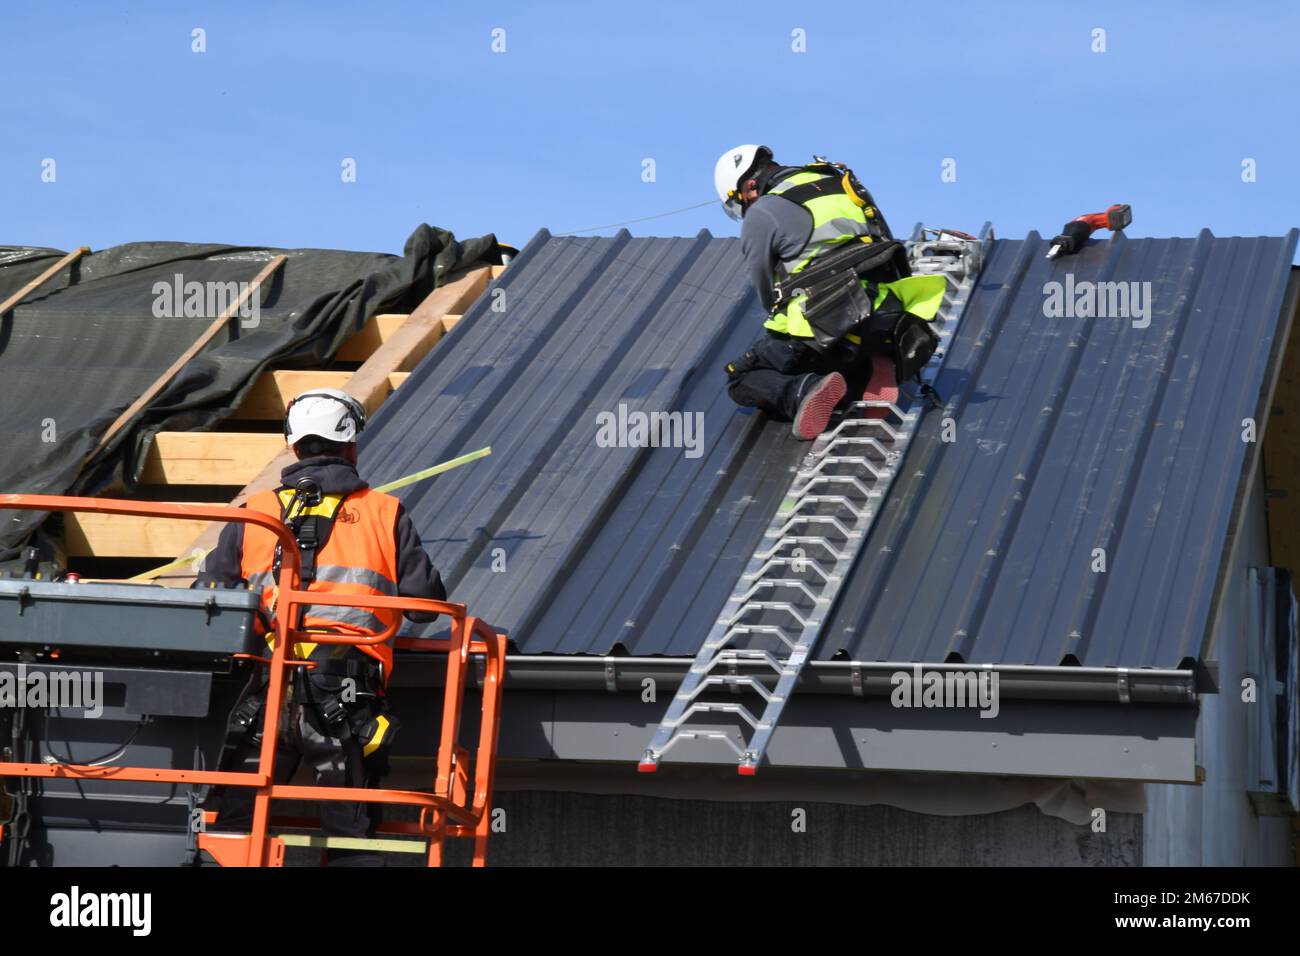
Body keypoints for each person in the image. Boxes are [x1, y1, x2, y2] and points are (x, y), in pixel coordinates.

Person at [195, 387, 447, 866]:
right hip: (347, 695)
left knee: (234, 825)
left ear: (293, 445)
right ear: (352, 445)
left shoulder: (254, 512)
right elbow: (426, 607)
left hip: (266, 691)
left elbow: (209, 600)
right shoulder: (384, 512)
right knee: (351, 832)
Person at [715, 144, 932, 439]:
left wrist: (779, 327)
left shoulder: (763, 211)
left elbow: (764, 286)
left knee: (741, 377)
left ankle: (804, 391)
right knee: (844, 354)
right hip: (886, 313)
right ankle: (871, 365)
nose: (745, 209)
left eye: (741, 202)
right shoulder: (841, 181)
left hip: (826, 324)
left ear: (750, 185)